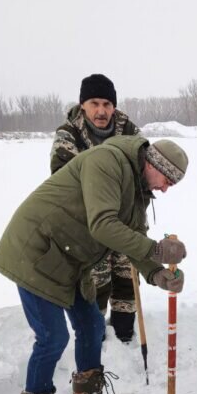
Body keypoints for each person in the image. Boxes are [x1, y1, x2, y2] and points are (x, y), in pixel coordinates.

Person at [0, 135, 188, 394]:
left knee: (91, 325)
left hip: (70, 259)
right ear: (153, 164)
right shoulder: (106, 162)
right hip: (35, 251)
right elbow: (103, 225)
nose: (167, 190)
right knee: (52, 337)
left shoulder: (139, 189)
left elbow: (134, 240)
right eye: (167, 181)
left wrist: (157, 274)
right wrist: (156, 249)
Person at [51, 74, 142, 343]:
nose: (101, 111)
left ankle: (125, 334)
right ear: (83, 105)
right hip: (88, 223)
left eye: (107, 104)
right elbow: (65, 182)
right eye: (94, 103)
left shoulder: (130, 133)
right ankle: (96, 337)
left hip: (124, 220)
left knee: (127, 275)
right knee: (96, 279)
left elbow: (142, 172)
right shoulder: (68, 135)